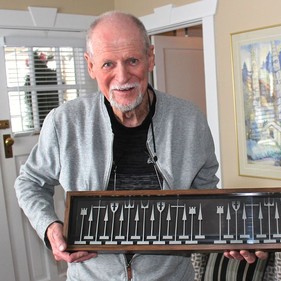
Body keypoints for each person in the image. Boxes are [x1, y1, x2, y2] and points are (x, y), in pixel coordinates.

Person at [14, 11, 267, 281]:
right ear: (90, 66)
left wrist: (231, 232)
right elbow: (29, 182)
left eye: (132, 60)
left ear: (151, 57)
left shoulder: (190, 119)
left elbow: (204, 193)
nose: (122, 76)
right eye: (108, 64)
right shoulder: (64, 122)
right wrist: (50, 227)